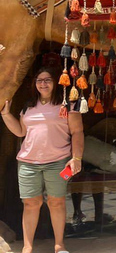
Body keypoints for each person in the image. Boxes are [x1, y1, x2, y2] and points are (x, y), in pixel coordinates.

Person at [1, 67, 84, 253]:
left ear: (57, 83)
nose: (43, 83)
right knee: (31, 204)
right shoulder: (28, 106)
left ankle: (59, 245)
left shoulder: (67, 105)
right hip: (28, 162)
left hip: (58, 161)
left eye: (47, 80)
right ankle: (27, 247)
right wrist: (6, 115)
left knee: (56, 202)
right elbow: (21, 132)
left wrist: (76, 157)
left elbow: (77, 132)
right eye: (39, 80)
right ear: (35, 84)